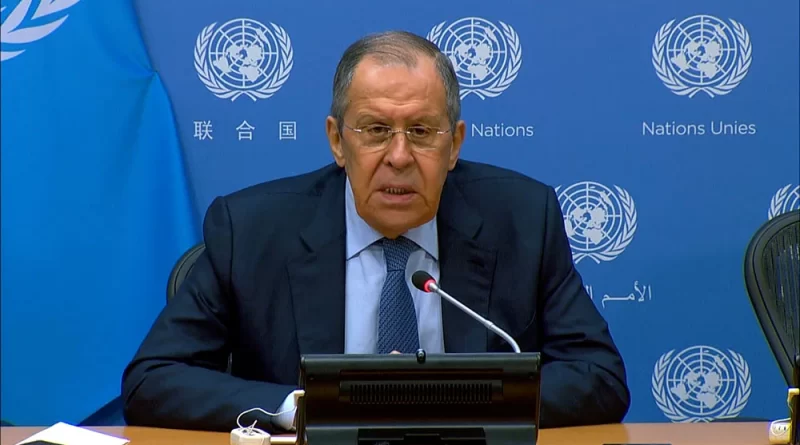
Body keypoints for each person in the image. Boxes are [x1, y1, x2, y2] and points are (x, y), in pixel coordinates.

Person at [121, 30, 629, 432]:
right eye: (376, 130)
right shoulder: (251, 229)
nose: (399, 156)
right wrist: (303, 407)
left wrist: (446, 403)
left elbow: (599, 377)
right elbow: (153, 380)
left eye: (422, 132)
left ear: (454, 145)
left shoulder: (521, 218)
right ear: (337, 142)